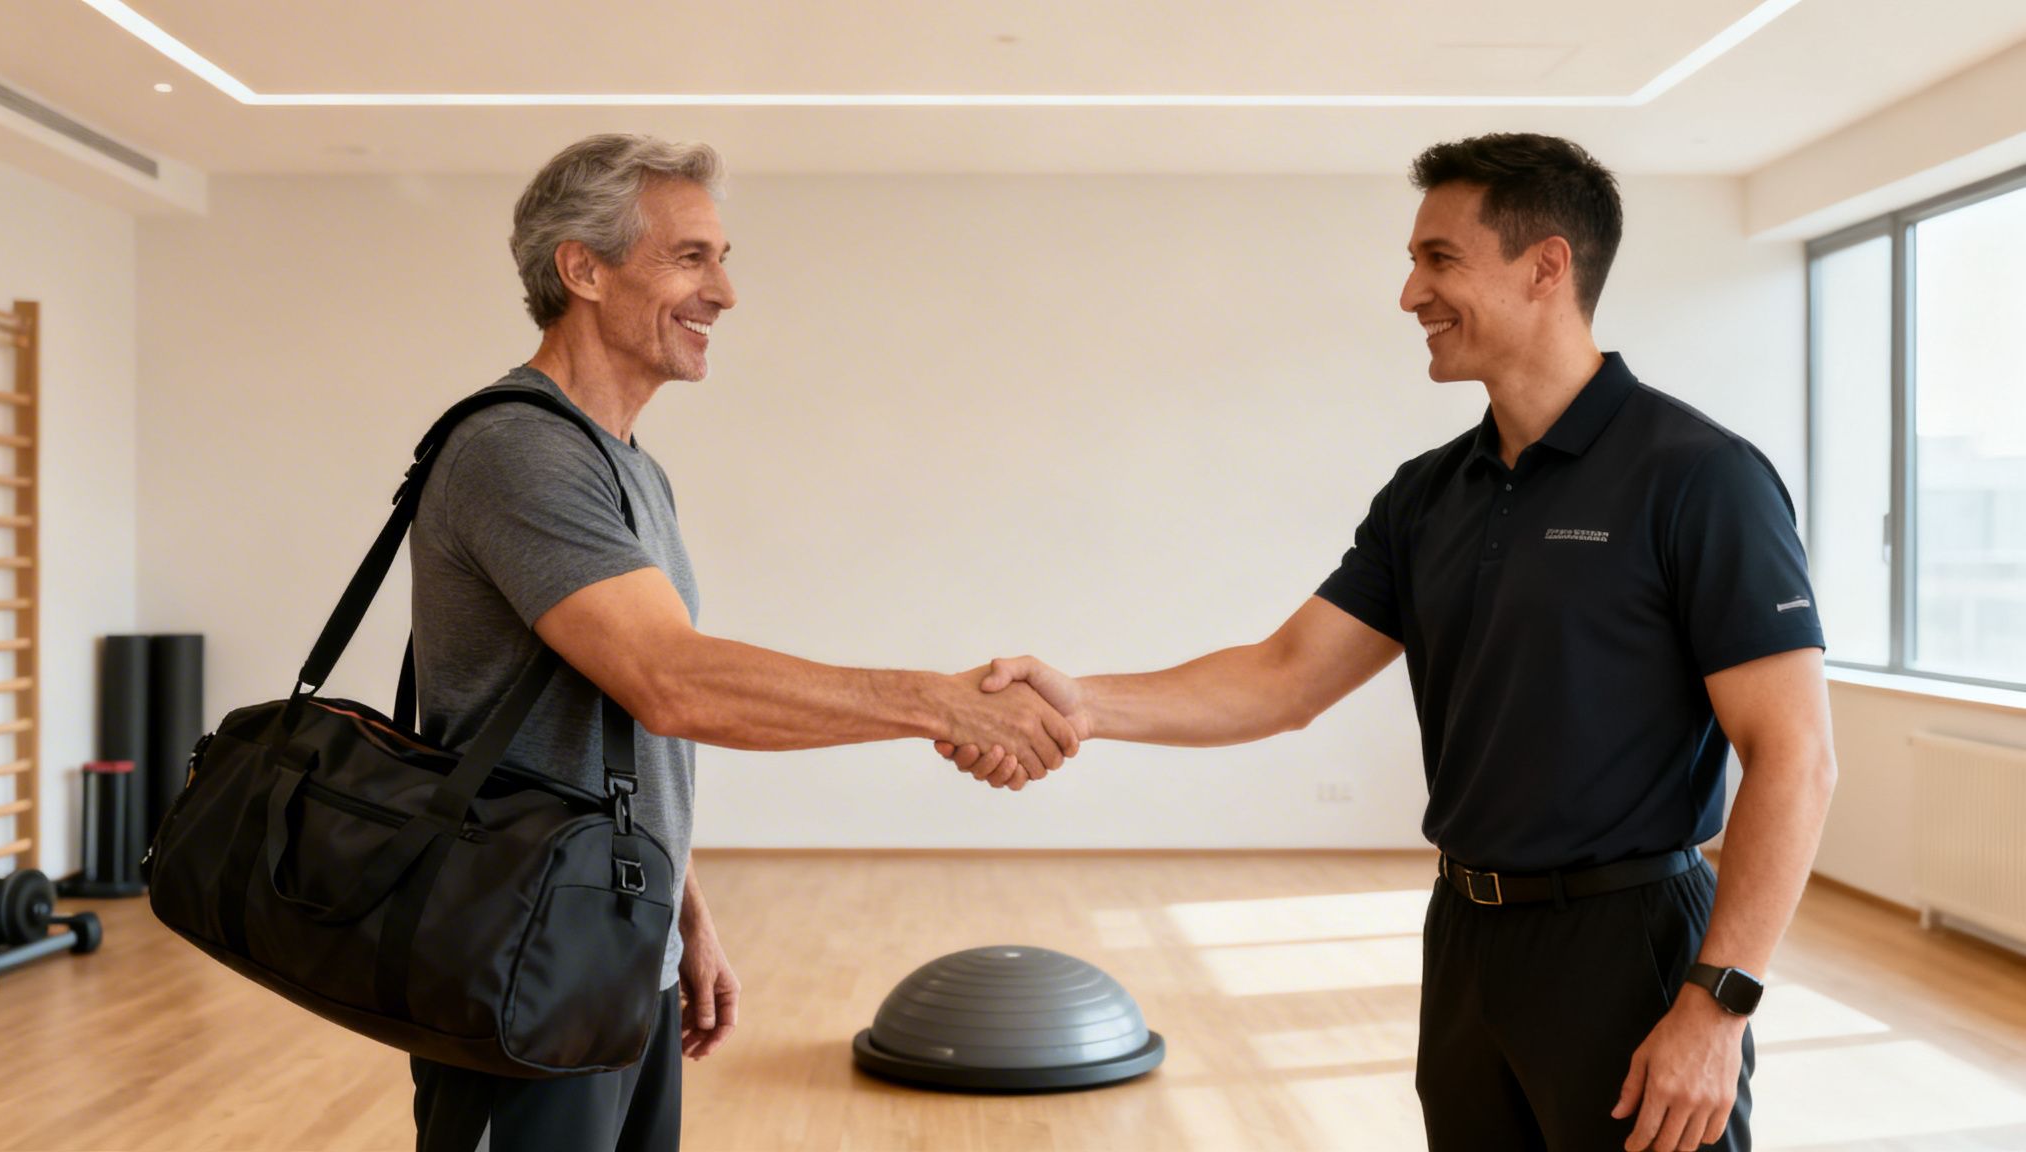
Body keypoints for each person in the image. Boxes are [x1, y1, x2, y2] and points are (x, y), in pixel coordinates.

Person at [942, 133, 1837, 1151]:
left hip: (1627, 943)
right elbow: (1282, 678)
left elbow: (1793, 757)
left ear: (1546, 265)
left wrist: (1715, 1004)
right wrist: (1083, 704)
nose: (1408, 294)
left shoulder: (1697, 477)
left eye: (1438, 259)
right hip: (1465, 937)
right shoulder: (1426, 495)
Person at [406, 133, 1078, 1152]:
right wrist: (941, 701)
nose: (724, 292)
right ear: (581, 269)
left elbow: (620, 720)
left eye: (723, 258)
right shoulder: (517, 450)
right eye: (691, 257)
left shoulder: (627, 465)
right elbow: (672, 683)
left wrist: (683, 909)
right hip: (522, 957)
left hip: (608, 938)